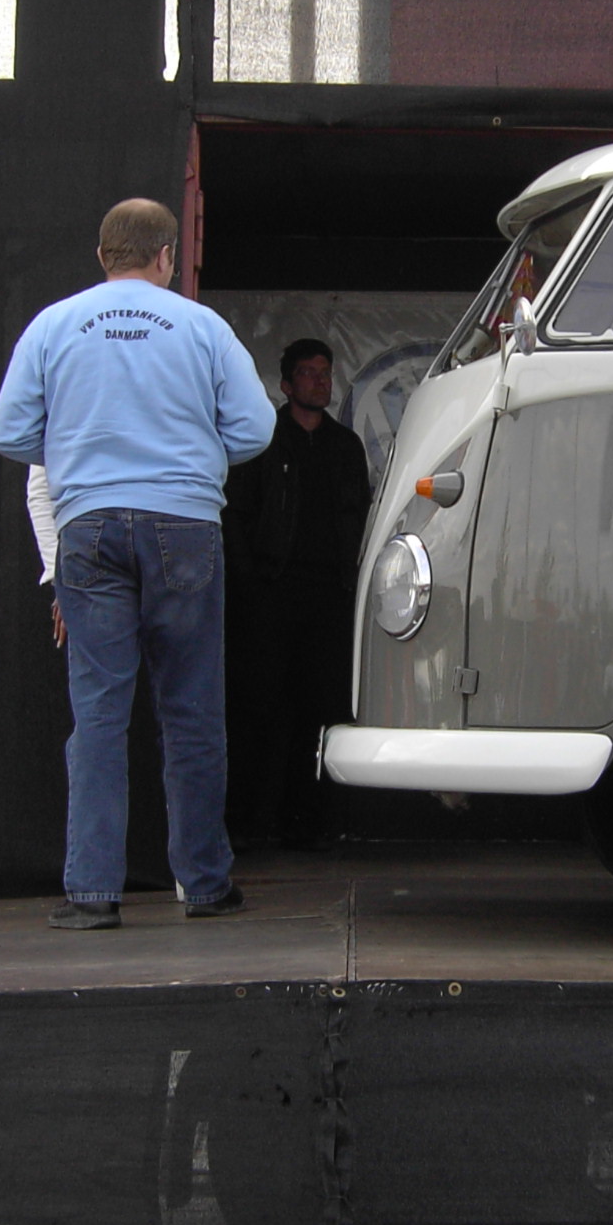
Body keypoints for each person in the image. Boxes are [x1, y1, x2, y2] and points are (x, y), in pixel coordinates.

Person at [0, 198, 275, 930]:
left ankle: (91, 894)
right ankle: (205, 886)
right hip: (185, 524)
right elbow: (254, 428)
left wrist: (80, 450)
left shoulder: (53, 324)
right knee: (191, 713)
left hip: (87, 527)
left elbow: (8, 433)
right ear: (167, 256)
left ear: (102, 256)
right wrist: (191, 455)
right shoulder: (202, 326)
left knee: (98, 715)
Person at [223, 337, 373, 848]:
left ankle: (307, 822)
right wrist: (251, 585)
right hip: (272, 597)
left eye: (326, 373)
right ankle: (249, 823)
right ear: (286, 384)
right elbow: (235, 516)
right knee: (260, 710)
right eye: (309, 373)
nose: (320, 381)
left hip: (329, 599)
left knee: (320, 712)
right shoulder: (263, 441)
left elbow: (362, 516)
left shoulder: (346, 446)